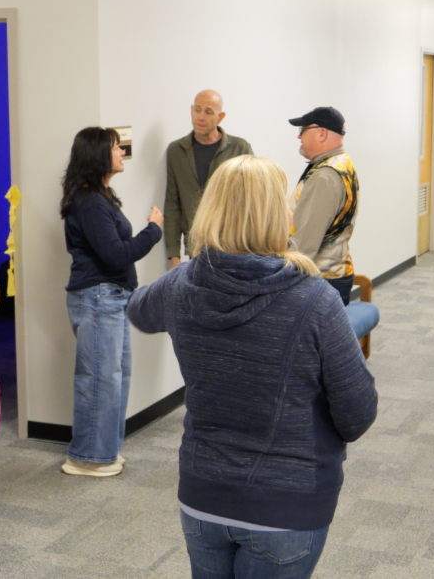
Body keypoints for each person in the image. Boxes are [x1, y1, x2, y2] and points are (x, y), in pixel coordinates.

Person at [127, 155, 378, 579]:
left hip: (203, 496)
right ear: (275, 214)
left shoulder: (180, 284)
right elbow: (358, 414)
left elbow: (138, 310)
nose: (291, 211)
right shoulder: (315, 298)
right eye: (285, 202)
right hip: (287, 503)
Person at [59, 127, 162, 477]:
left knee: (114, 376)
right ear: (98, 155)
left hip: (112, 298)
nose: (121, 152)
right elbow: (116, 255)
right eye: (116, 148)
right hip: (98, 298)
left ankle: (104, 450)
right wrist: (153, 230)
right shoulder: (89, 201)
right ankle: (87, 457)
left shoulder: (100, 196)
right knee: (99, 378)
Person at [164, 90, 252, 269]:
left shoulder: (239, 149)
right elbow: (172, 203)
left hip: (233, 246)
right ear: (191, 110)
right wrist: (174, 255)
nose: (201, 117)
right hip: (197, 246)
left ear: (220, 117)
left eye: (208, 112)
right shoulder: (176, 151)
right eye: (197, 110)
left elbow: (252, 198)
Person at [289, 106, 360, 305]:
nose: (299, 136)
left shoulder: (324, 176)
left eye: (303, 130)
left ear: (322, 133)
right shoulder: (339, 162)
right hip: (332, 276)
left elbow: (305, 244)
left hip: (321, 281)